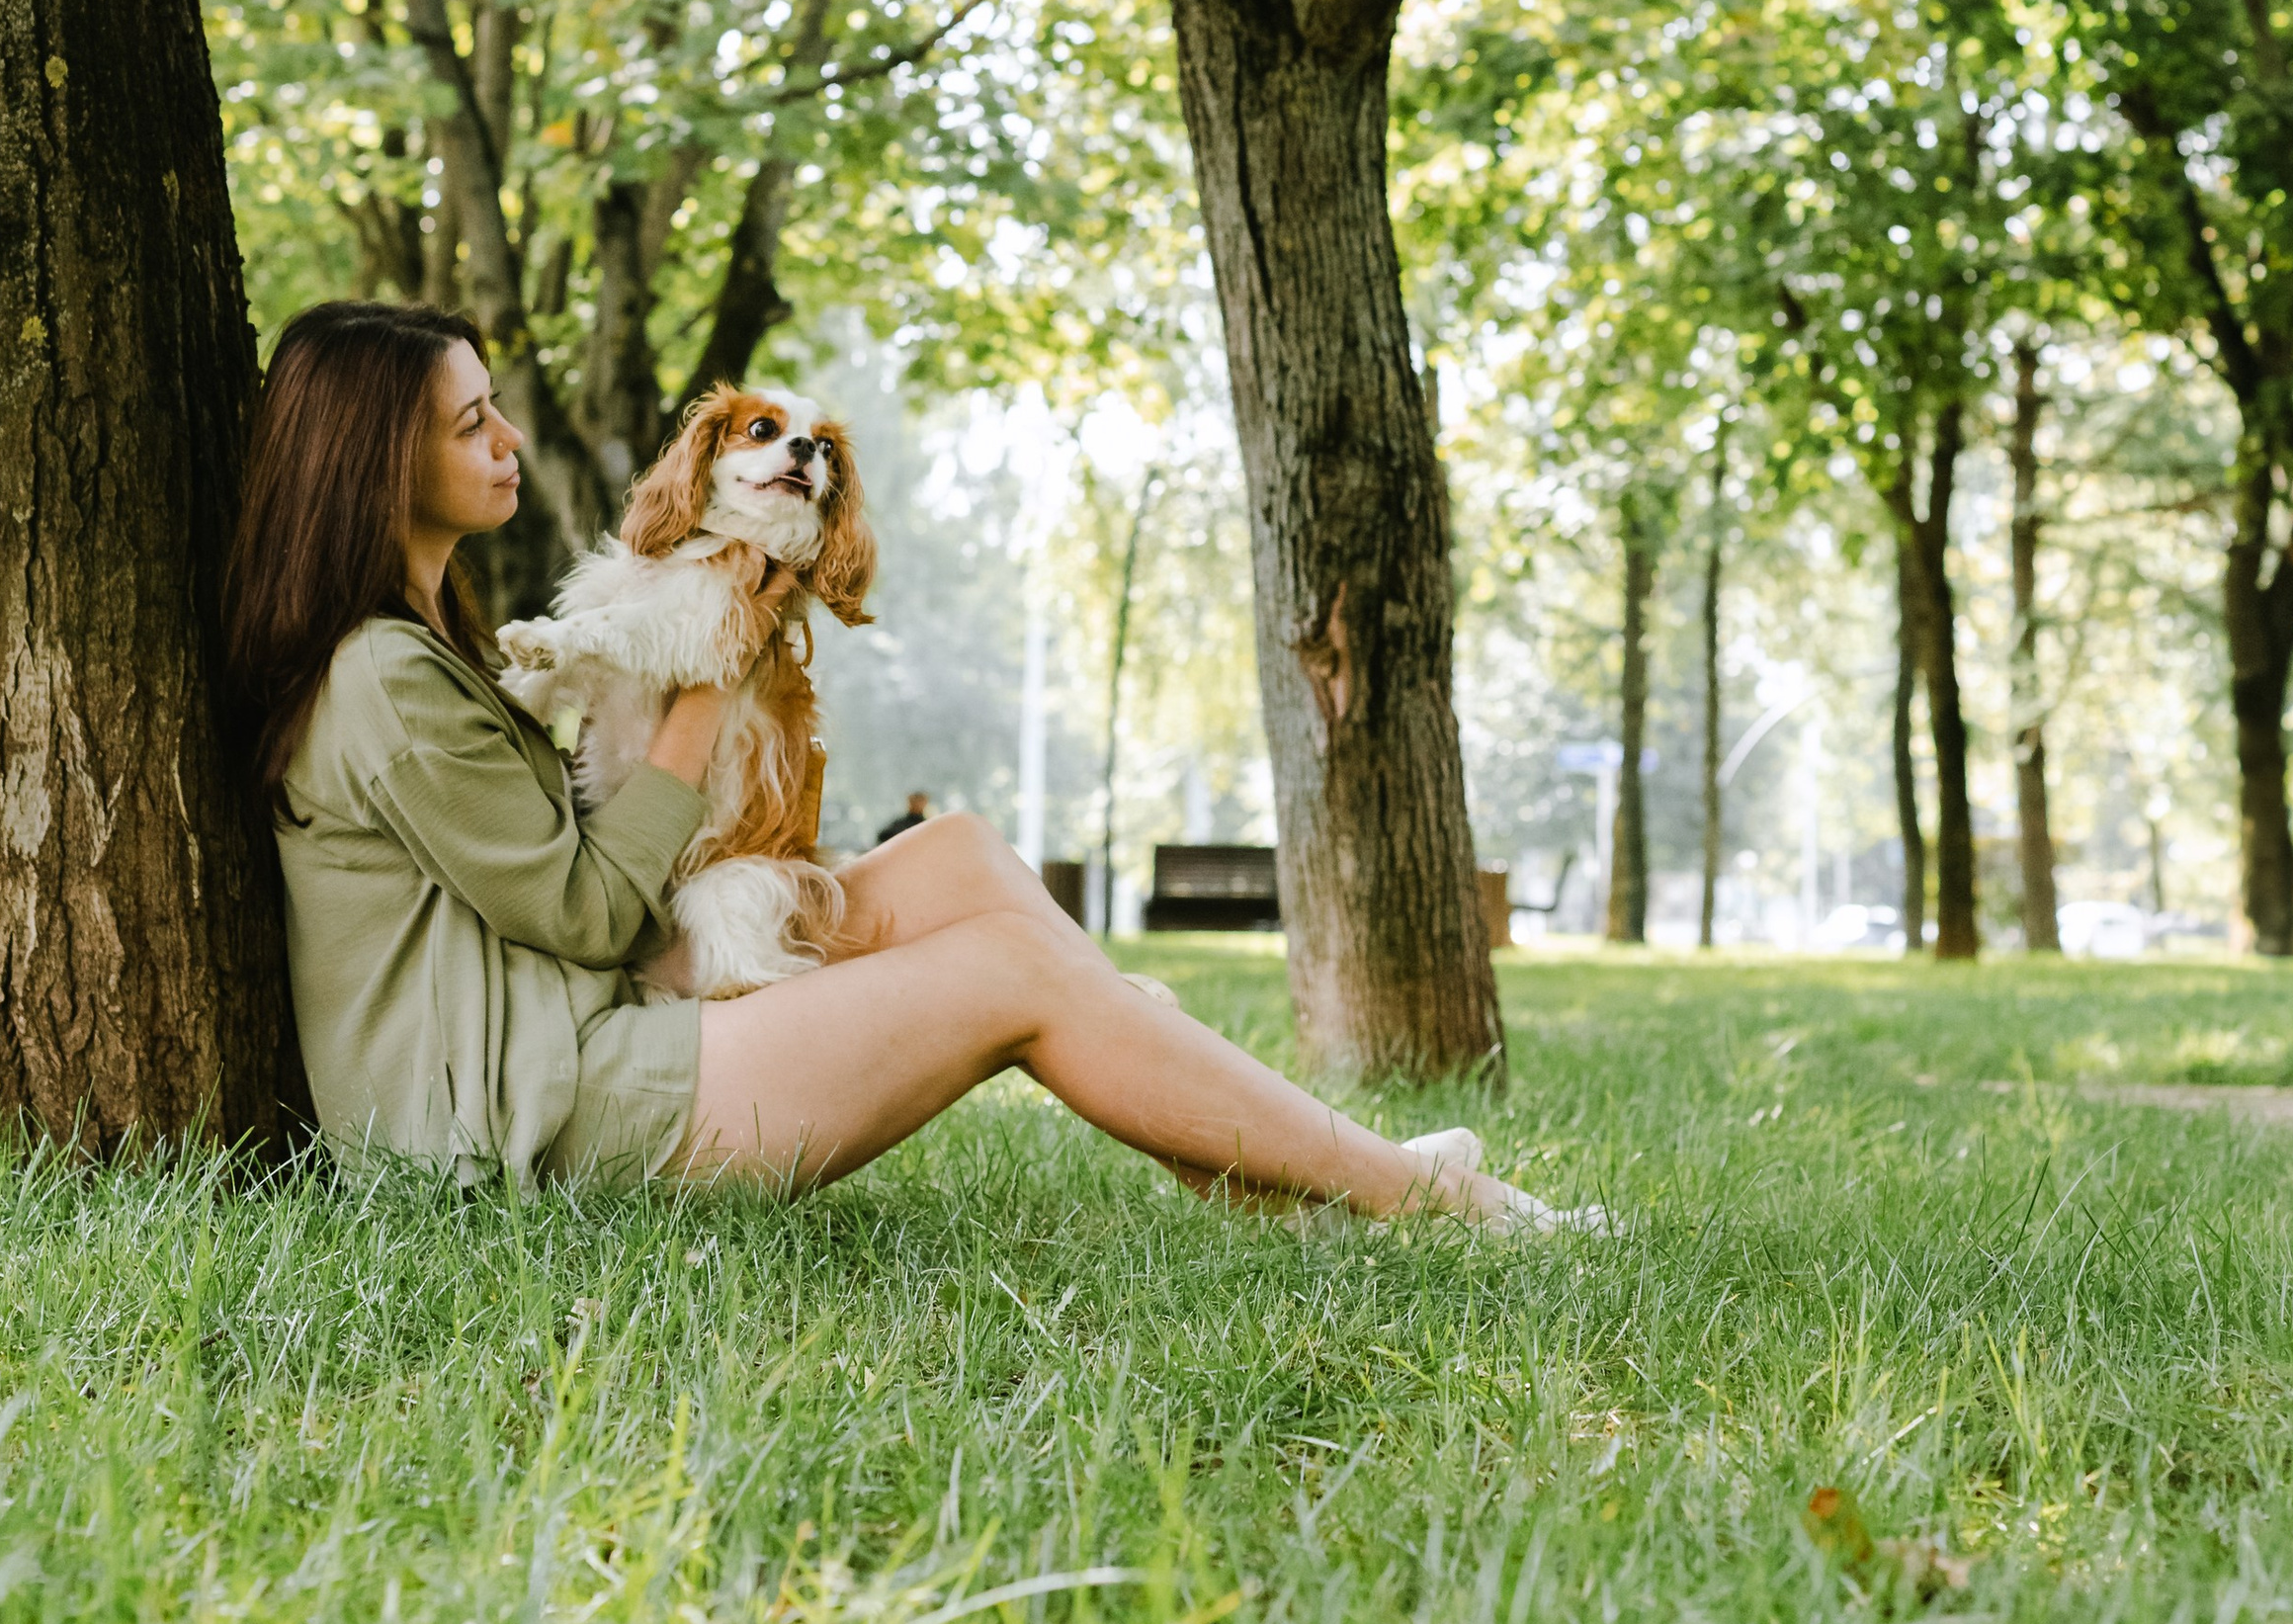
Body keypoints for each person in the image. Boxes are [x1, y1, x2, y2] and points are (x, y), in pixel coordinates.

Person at [225, 300, 1573, 1224]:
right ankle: (1410, 1192)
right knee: (1011, 971)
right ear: (371, 459)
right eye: (472, 426)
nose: (509, 440)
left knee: (967, 858)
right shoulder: (384, 677)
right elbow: (585, 913)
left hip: (568, 1038)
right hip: (527, 1119)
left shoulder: (427, 646)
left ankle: (1264, 1166)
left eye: (494, 410)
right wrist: (722, 662)